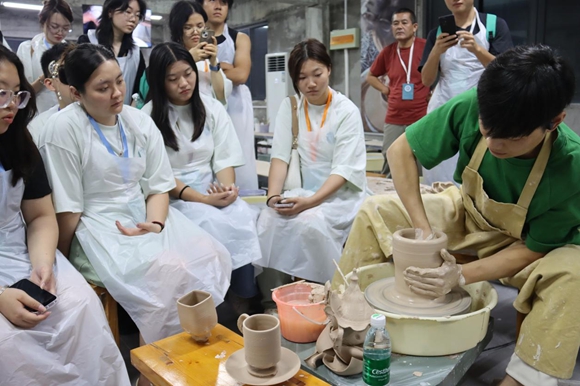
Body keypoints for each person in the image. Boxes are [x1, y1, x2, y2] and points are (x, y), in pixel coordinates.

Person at [334, 45, 580, 386]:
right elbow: (401, 151)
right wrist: (423, 231)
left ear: (553, 122)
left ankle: (526, 378)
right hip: (469, 213)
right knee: (378, 209)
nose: (494, 143)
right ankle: (344, 321)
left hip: (527, 244)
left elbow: (535, 248)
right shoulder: (477, 104)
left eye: (511, 137)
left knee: (573, 272)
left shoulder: (570, 165)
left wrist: (460, 275)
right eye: (487, 128)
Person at [37, 44, 232, 350]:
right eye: (103, 87)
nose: (117, 93)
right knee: (164, 270)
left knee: (207, 253)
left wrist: (155, 223)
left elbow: (157, 186)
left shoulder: (138, 121)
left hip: (145, 214)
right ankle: (155, 364)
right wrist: (60, 261)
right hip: (96, 224)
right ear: (76, 93)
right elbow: (68, 208)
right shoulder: (63, 130)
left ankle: (187, 353)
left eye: (119, 81)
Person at [0, 45, 130, 386]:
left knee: (81, 309)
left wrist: (43, 263)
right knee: (11, 346)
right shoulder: (62, 129)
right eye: (1, 93)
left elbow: (41, 216)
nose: (11, 104)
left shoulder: (16, 140)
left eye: (17, 94)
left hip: (20, 250)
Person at [142, 42, 261, 299]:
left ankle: (243, 298)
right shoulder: (148, 117)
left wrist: (227, 190)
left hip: (210, 190)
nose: (184, 83)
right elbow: (159, 177)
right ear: (159, 82)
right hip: (173, 199)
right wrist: (205, 200)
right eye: (173, 79)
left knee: (241, 214)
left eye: (188, 73)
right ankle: (209, 302)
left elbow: (224, 158)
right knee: (208, 222)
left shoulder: (211, 108)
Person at [256, 39, 368, 310]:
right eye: (302, 78)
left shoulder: (346, 111)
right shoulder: (291, 107)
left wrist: (312, 201)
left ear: (329, 70)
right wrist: (272, 196)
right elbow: (280, 156)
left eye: (317, 74)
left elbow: (343, 170)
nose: (310, 84)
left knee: (311, 223)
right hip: (302, 193)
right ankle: (275, 296)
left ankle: (330, 296)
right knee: (267, 220)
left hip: (340, 196)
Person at [419, 0, 513, 185]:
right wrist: (436, 51)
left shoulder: (494, 25)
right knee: (442, 168)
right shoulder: (436, 34)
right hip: (444, 106)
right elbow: (426, 80)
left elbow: (505, 72)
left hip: (483, 107)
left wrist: (477, 49)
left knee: (481, 164)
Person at [198, 0, 258, 190]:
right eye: (212, 1)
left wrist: (210, 71)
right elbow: (189, 70)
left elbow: (241, 74)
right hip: (203, 101)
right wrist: (222, 68)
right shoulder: (197, 36)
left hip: (235, 105)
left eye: (223, 2)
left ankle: (246, 203)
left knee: (239, 155)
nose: (218, 6)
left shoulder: (239, 38)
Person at [366, 7, 429, 176]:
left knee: (421, 160)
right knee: (390, 157)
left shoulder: (425, 47)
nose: (399, 27)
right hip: (394, 116)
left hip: (421, 116)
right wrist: (385, 89)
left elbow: (442, 71)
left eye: (404, 22)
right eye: (395, 23)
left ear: (414, 26)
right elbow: (371, 76)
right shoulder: (388, 52)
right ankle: (388, 196)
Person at [136, 1, 232, 109]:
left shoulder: (207, 58)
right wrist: (189, 59)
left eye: (200, 26)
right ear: (178, 29)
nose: (195, 31)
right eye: (188, 27)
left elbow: (220, 97)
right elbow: (158, 90)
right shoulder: (168, 55)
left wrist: (214, 62)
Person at [78, 0, 146, 106]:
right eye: (128, 12)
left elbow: (137, 91)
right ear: (110, 12)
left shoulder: (135, 53)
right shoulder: (88, 42)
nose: (133, 19)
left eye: (137, 15)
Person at [17, 0, 73, 113]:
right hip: (38, 113)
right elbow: (23, 93)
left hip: (66, 112)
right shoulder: (28, 49)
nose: (60, 32)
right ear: (43, 23)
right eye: (54, 26)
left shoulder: (71, 52)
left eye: (66, 28)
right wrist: (46, 75)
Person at [28, 42, 74, 145]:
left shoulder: (107, 113)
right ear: (50, 84)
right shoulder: (38, 127)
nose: (76, 81)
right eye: (66, 75)